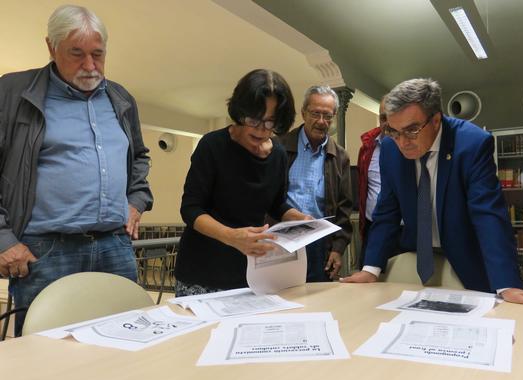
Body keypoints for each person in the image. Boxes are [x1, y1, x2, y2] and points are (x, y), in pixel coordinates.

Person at [0, 5, 153, 335]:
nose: (90, 65)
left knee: (126, 342)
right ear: (51, 47)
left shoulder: (120, 98)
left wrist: (136, 201)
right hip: (45, 251)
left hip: (114, 245)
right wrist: (3, 239)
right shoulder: (11, 93)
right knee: (47, 352)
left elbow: (139, 157)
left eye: (98, 54)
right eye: (76, 53)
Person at [342, 78, 523, 306]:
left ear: (436, 120)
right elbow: (387, 212)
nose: (402, 142)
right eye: (394, 131)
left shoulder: (471, 143)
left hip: (467, 256)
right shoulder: (389, 148)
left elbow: (488, 215)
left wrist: (507, 284)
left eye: (412, 130)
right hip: (416, 255)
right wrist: (370, 269)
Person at [173, 69, 309, 296]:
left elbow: (276, 204)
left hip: (250, 273)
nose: (261, 130)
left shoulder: (278, 154)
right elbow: (191, 209)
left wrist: (297, 218)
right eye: (253, 119)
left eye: (270, 122)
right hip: (202, 271)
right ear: (239, 111)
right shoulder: (212, 146)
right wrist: (231, 236)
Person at [276, 86, 352, 282]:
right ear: (303, 113)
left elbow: (344, 208)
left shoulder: (340, 157)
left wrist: (338, 248)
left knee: (318, 296)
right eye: (315, 114)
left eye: (327, 116)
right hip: (281, 240)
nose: (321, 121)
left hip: (320, 245)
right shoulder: (278, 147)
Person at [356, 97, 392, 267]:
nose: (387, 123)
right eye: (383, 117)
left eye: (392, 116)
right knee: (368, 275)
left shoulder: (413, 146)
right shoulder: (367, 147)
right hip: (372, 227)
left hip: (404, 230)